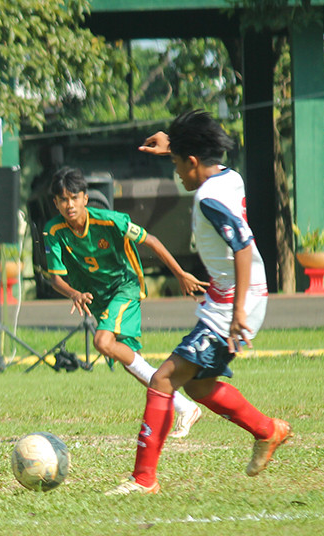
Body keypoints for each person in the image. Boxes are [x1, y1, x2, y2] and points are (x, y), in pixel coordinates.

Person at [106, 110, 293, 496]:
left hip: (233, 304)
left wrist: (237, 313)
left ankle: (144, 479)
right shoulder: (228, 176)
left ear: (192, 161)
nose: (176, 172)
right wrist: (174, 145)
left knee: (163, 379)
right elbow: (200, 166)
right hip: (233, 297)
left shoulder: (209, 198)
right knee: (199, 385)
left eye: (177, 164)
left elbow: (243, 246)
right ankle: (267, 430)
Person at [42, 166, 208, 438]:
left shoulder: (111, 221)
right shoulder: (54, 230)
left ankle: (182, 406)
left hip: (125, 286)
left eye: (74, 198)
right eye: (63, 200)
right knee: (131, 362)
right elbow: (55, 278)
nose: (69, 205)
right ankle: (185, 408)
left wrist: (180, 274)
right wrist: (73, 293)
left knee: (102, 342)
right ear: (56, 203)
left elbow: (151, 241)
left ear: (85, 198)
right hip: (98, 296)